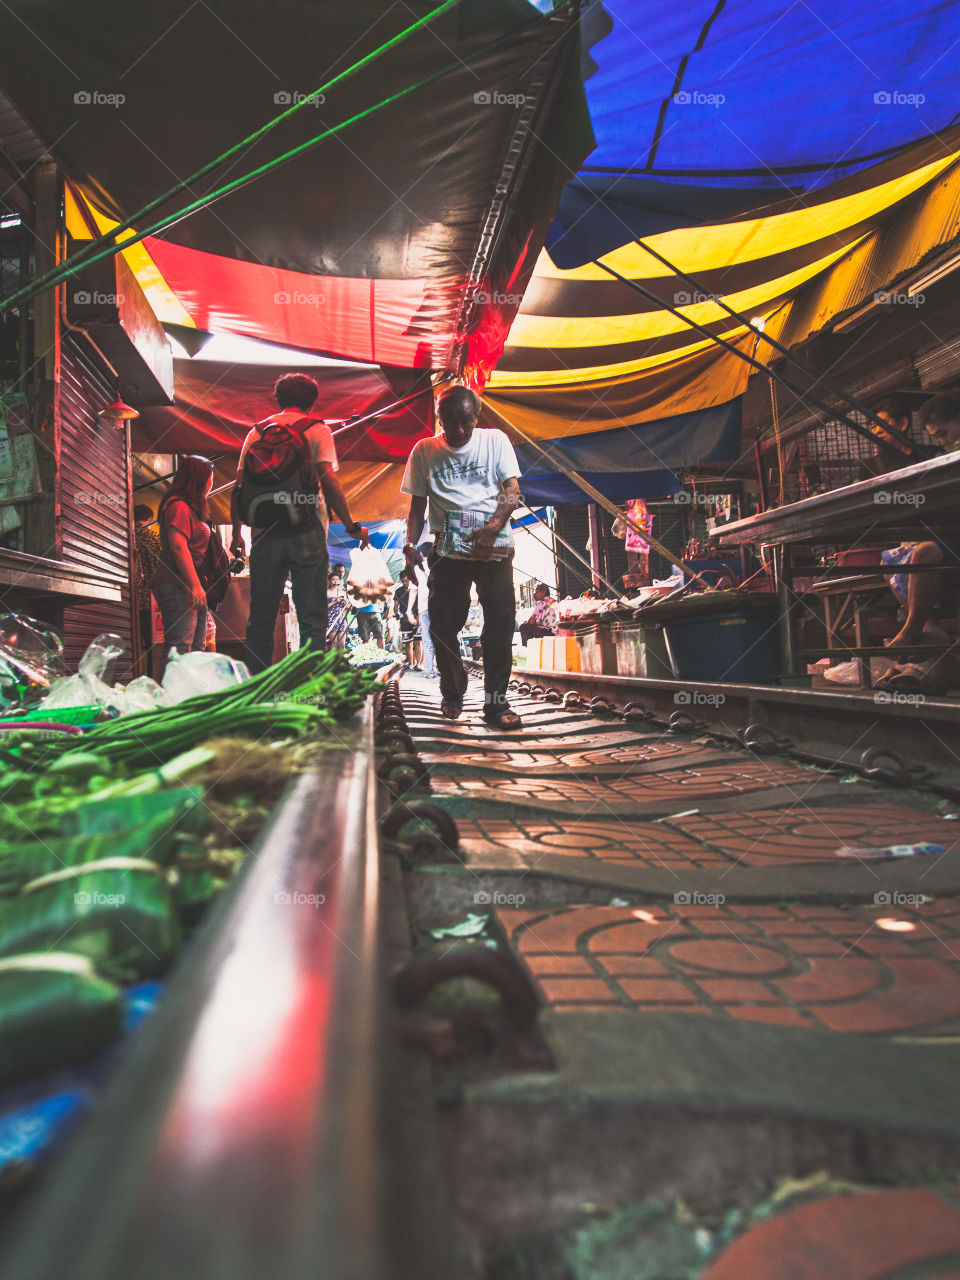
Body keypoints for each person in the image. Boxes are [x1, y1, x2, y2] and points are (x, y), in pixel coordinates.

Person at [230, 373, 368, 673]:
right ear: (312, 401)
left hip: (264, 532)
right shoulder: (317, 430)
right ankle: (310, 690)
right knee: (312, 617)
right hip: (306, 531)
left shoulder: (256, 433)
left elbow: (239, 486)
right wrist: (350, 524)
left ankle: (258, 691)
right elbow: (329, 481)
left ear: (277, 398)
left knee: (261, 617)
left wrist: (237, 534)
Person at [402, 384, 522, 728]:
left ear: (477, 417)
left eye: (465, 422)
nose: (456, 430)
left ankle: (496, 705)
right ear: (437, 419)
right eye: (448, 423)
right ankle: (453, 689)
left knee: (499, 624)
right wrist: (410, 544)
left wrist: (494, 527)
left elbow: (512, 490)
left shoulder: (495, 441)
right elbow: (417, 505)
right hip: (447, 550)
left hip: (493, 548)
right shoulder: (424, 450)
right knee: (441, 624)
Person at [150, 455, 214, 671]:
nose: (211, 483)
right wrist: (195, 586)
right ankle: (171, 701)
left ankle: (191, 698)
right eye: (209, 478)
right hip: (176, 583)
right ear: (199, 479)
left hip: (189, 584)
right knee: (179, 650)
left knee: (197, 650)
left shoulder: (191, 507)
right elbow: (178, 547)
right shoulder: (179, 506)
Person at [132, 503, 161, 673]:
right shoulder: (151, 537)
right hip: (149, 601)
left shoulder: (127, 535)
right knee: (152, 648)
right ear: (149, 519)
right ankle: (151, 679)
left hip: (130, 601)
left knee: (134, 645)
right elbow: (159, 566)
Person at [410, 540, 436, 677]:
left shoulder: (416, 569)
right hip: (439, 607)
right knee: (441, 638)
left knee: (427, 639)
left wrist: (409, 610)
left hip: (424, 608)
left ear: (421, 553)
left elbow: (413, 590)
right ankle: (443, 669)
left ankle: (430, 671)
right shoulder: (439, 566)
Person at [393, 571, 420, 667]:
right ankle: (411, 664)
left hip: (417, 617)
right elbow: (395, 606)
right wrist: (397, 614)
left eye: (407, 581)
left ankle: (419, 664)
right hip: (404, 619)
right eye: (403, 581)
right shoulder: (398, 591)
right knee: (408, 643)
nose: (405, 583)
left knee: (418, 641)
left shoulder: (416, 589)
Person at [326, 566, 349, 649]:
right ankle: (334, 661)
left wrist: (345, 602)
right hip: (331, 619)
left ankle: (341, 660)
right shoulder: (327, 592)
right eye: (333, 579)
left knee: (342, 643)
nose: (335, 581)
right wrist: (335, 601)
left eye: (337, 579)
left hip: (341, 618)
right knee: (334, 643)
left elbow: (349, 607)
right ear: (329, 581)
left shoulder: (342, 591)